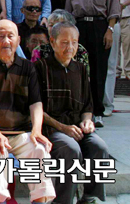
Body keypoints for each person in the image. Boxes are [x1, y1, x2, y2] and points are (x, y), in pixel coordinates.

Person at [0, 20, 55, 204]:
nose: (6, 41)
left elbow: (35, 103)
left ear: (18, 40)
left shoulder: (28, 67)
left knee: (39, 149)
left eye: (10, 36)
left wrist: (36, 130)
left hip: (20, 132)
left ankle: (40, 201)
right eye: (0, 36)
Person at [34, 22, 109, 204]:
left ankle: (90, 196)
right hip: (52, 128)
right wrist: (63, 128)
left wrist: (87, 122)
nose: (70, 47)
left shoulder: (80, 69)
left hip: (77, 128)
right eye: (65, 42)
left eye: (74, 42)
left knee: (100, 147)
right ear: (52, 42)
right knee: (71, 148)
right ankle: (62, 201)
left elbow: (87, 106)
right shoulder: (40, 68)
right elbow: (35, 108)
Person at [65, 0, 120, 128]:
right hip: (79, 26)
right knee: (78, 69)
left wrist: (110, 31)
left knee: (99, 70)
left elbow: (113, 8)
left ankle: (97, 111)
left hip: (100, 26)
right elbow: (68, 9)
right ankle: (80, 110)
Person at [96, 0, 130, 117]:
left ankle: (107, 103)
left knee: (110, 65)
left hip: (112, 23)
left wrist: (121, 5)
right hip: (91, 24)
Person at [30, 9, 89, 74]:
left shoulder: (80, 50)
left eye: (58, 25)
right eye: (51, 25)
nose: (53, 29)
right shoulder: (39, 50)